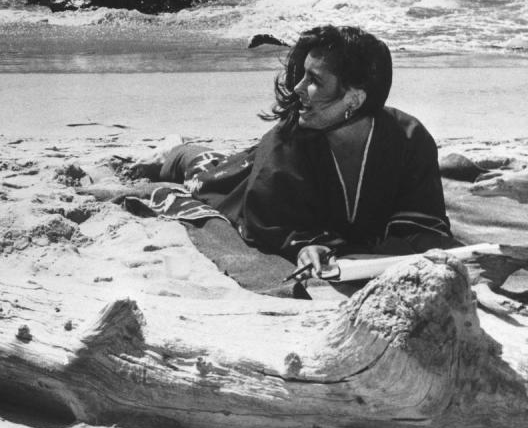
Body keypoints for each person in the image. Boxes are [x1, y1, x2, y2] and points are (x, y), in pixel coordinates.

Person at [133, 25, 455, 278]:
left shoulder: (410, 139)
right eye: (302, 74)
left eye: (313, 80)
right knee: (204, 173)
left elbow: (425, 224)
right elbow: (270, 222)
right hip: (249, 174)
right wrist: (307, 247)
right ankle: (177, 148)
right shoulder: (286, 141)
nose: (298, 88)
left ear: (354, 99)